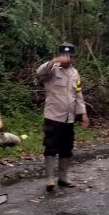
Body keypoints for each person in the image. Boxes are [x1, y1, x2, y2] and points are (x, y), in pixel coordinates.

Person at [36, 42, 90, 191]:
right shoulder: (52, 70)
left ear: (74, 57)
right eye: (65, 55)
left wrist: (83, 113)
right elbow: (39, 73)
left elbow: (78, 94)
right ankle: (50, 179)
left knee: (67, 148)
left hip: (69, 118)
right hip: (53, 116)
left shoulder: (75, 73)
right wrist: (55, 60)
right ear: (60, 55)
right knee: (50, 147)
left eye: (70, 56)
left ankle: (63, 178)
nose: (68, 59)